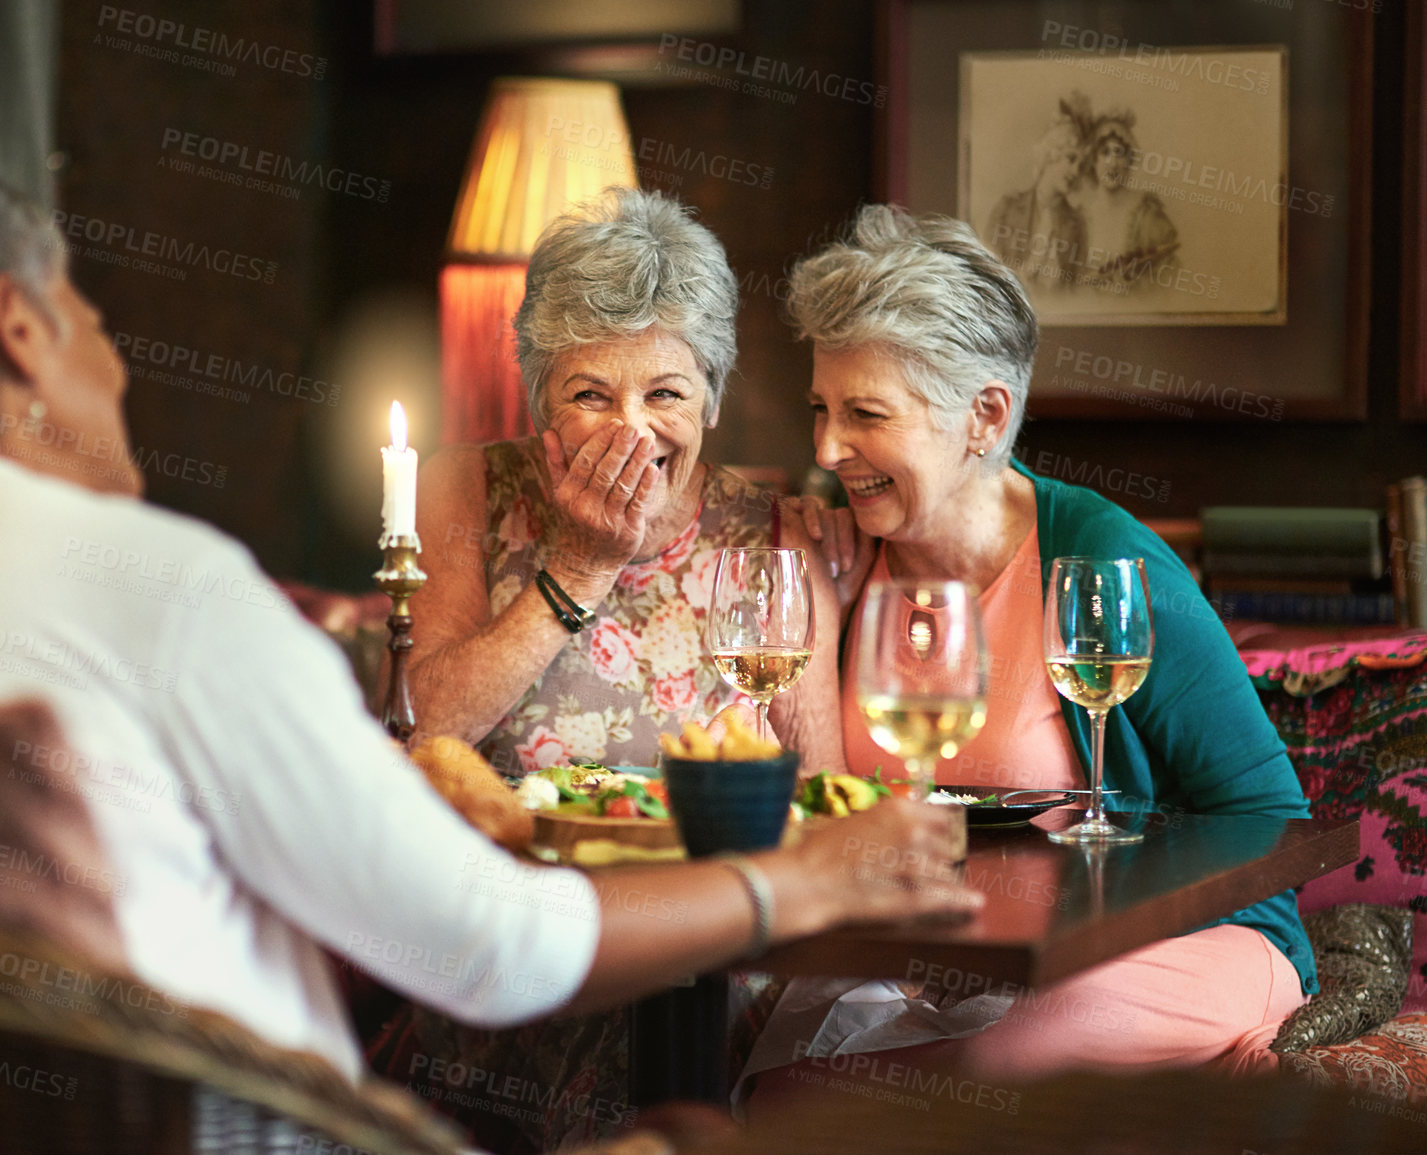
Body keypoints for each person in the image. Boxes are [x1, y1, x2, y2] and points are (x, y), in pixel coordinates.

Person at [0, 151, 979, 1115]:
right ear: (17, 328)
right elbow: (481, 946)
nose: (118, 365)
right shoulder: (161, 584)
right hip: (243, 1122)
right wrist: (795, 880)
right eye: (87, 317)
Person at [755, 204, 1314, 1098]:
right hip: (933, 964)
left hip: (1161, 950)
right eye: (820, 408)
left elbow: (1266, 815)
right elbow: (823, 809)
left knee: (975, 1069)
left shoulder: (1101, 557)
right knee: (780, 1070)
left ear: (985, 413)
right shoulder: (839, 564)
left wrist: (1083, 909)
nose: (824, 448)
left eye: (865, 413)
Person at [408, 186, 846, 777]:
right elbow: (418, 731)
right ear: (542, 405)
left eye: (664, 393)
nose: (632, 431)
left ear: (711, 401)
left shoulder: (777, 541)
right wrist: (580, 569)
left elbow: (827, 800)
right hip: (503, 863)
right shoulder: (466, 487)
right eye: (591, 394)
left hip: (695, 868)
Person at [985, 98, 1090, 293]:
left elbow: (1079, 292)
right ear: (1051, 154)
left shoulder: (1077, 223)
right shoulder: (1006, 211)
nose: (1076, 172)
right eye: (1071, 159)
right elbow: (987, 282)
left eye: (1081, 165)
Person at [1077, 109, 1178, 293]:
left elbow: (1169, 275)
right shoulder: (1078, 216)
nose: (1112, 162)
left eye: (1119, 153)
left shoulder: (1147, 214)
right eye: (1105, 152)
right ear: (1093, 160)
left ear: (1128, 160)